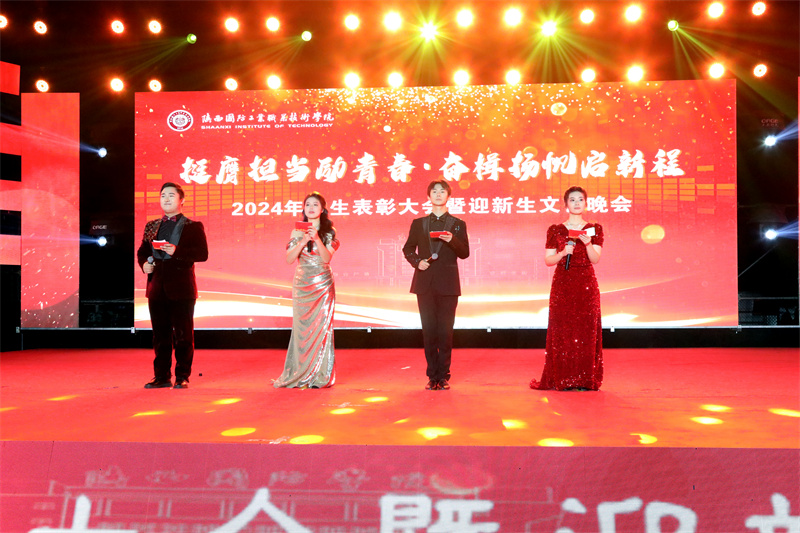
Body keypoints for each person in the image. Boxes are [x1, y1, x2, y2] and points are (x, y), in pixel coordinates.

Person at [530, 186, 604, 391]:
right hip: (563, 283)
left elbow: (595, 259)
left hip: (586, 284)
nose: (577, 203)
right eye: (572, 200)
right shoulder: (556, 230)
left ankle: (584, 379)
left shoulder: (594, 229)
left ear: (586, 203)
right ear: (566, 204)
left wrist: (588, 244)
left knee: (586, 331)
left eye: (580, 199)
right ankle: (563, 378)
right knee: (563, 330)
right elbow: (548, 260)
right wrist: (563, 253)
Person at [137, 182, 208, 389]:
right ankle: (161, 376)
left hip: (182, 288)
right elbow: (143, 251)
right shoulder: (152, 226)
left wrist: (176, 252)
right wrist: (144, 264)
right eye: (163, 196)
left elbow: (202, 254)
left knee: (184, 336)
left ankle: (182, 376)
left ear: (181, 200)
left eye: (171, 195)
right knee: (160, 336)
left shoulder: (192, 226)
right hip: (156, 287)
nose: (166, 199)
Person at [403, 180, 470, 391]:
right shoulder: (419, 223)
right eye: (434, 191)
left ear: (449, 196)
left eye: (442, 191)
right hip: (425, 283)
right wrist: (417, 262)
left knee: (446, 332)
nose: (438, 194)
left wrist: (452, 240)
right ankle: (432, 376)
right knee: (429, 330)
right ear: (429, 196)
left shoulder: (458, 224)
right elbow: (407, 249)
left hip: (448, 284)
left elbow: (465, 253)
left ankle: (444, 375)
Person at [274, 192, 340, 389]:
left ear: (322, 209)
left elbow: (326, 258)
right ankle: (298, 372)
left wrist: (317, 238)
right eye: (307, 205)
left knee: (322, 329)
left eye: (315, 205)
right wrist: (303, 241)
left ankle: (320, 375)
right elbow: (289, 259)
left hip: (322, 284)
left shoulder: (329, 231)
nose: (311, 208)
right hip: (302, 284)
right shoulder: (296, 231)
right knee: (302, 330)